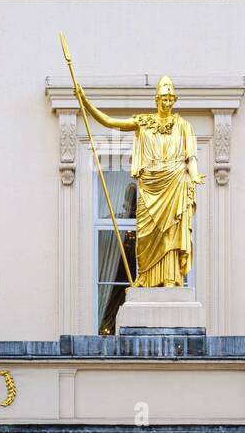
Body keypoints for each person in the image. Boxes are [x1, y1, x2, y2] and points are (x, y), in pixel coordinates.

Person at [74, 76, 204, 289]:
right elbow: (110, 121)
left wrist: (195, 174)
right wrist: (85, 102)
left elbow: (191, 157)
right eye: (164, 98)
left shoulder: (183, 126)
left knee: (171, 230)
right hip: (149, 184)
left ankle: (171, 279)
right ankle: (145, 277)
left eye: (171, 98)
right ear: (156, 99)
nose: (167, 102)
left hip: (175, 180)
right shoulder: (144, 123)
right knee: (144, 234)